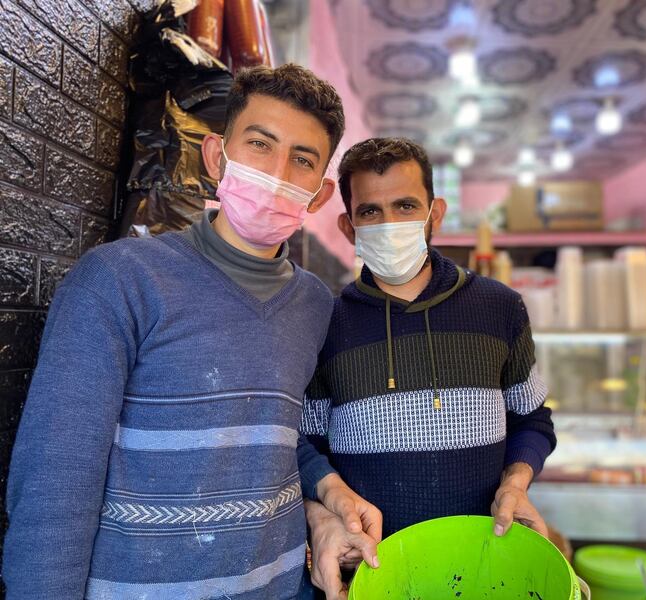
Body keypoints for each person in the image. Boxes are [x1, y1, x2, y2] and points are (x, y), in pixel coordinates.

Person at [3, 64, 379, 600]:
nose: (276, 171)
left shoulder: (316, 305)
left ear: (317, 196)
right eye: (259, 143)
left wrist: (326, 495)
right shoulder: (118, 280)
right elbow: (55, 482)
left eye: (301, 160)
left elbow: (272, 435)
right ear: (215, 156)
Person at [301, 137, 557, 595]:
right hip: (372, 571)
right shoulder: (327, 322)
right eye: (371, 212)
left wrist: (516, 483)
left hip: (484, 564)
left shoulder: (500, 308)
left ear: (435, 213)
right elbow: (305, 442)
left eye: (405, 206)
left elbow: (532, 420)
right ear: (347, 225)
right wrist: (327, 501)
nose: (390, 224)